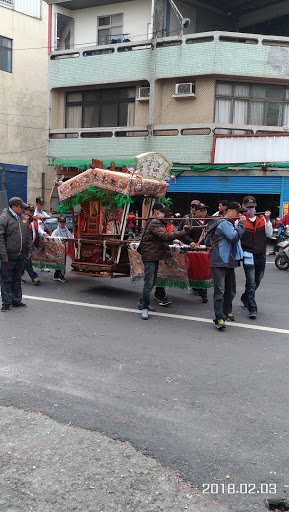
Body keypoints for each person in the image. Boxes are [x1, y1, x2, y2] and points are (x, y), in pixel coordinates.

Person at [138, 202, 188, 320]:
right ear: (156, 212)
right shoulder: (155, 222)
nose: (166, 216)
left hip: (153, 255)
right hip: (150, 256)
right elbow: (166, 236)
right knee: (148, 283)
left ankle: (141, 302)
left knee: (152, 281)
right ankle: (144, 308)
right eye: (163, 213)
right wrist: (183, 232)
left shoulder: (154, 221)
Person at [206, 202, 246, 330]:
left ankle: (226, 311)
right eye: (237, 211)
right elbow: (233, 237)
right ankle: (219, 318)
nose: (239, 214)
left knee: (230, 290)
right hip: (219, 261)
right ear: (229, 211)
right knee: (220, 291)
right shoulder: (224, 223)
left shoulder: (230, 223)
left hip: (229, 261)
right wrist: (242, 225)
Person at [239, 196, 272, 320]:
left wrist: (268, 220)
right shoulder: (240, 221)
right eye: (248, 207)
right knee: (251, 282)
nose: (250, 209)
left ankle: (245, 297)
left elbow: (269, 234)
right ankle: (252, 307)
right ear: (243, 207)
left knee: (257, 280)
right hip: (247, 254)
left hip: (261, 254)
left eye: (252, 207)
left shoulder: (262, 219)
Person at [0, 197, 33, 312]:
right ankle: (6, 302)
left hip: (21, 256)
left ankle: (16, 300)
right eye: (21, 207)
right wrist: (3, 255)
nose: (23, 210)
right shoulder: (4, 218)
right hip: (8, 256)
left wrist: (29, 250)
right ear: (14, 207)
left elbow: (28, 235)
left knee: (17, 278)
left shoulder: (23, 218)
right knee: (6, 279)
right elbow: (1, 239)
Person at [180, 202, 209, 303]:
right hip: (194, 250)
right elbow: (185, 234)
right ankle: (200, 290)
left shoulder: (209, 221)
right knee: (196, 270)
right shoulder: (191, 221)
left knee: (204, 271)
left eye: (205, 210)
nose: (204, 212)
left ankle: (203, 293)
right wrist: (191, 242)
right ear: (196, 212)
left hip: (206, 250)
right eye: (201, 211)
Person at [22, 204, 48, 285]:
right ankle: (34, 277)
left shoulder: (34, 219)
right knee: (27, 261)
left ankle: (18, 276)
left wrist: (44, 233)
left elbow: (37, 229)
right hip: (24, 244)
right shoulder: (21, 220)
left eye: (33, 211)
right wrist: (25, 221)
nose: (33, 212)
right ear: (25, 211)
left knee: (24, 261)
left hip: (31, 243)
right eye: (30, 211)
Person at [51, 216, 72, 282]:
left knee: (63, 263)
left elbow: (71, 237)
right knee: (60, 263)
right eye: (61, 222)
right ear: (58, 223)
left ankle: (57, 275)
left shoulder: (67, 231)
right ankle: (60, 276)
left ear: (65, 223)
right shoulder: (56, 231)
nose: (62, 224)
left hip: (65, 249)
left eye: (63, 222)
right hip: (58, 250)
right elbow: (52, 239)